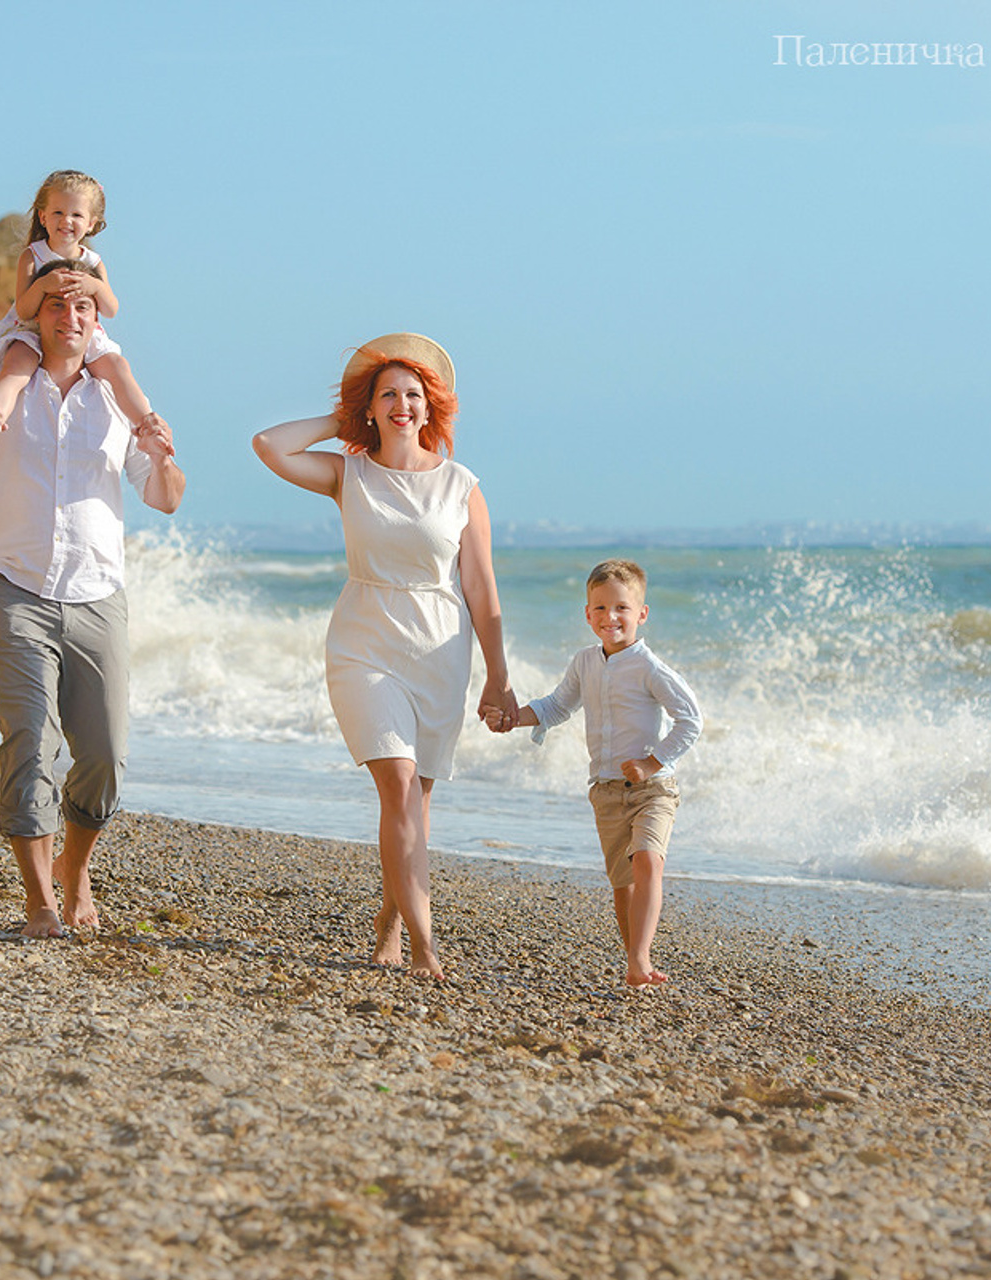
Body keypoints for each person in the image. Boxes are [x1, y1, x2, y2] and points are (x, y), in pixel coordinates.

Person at [0, 258, 185, 939]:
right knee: (30, 744)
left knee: (106, 756)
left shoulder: (120, 400)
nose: (70, 315)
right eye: (56, 303)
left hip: (97, 594)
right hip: (12, 589)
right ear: (37, 314)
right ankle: (40, 903)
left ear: (97, 319)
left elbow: (165, 497)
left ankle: (76, 867)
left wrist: (167, 458)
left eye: (83, 305)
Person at [252, 333, 517, 979]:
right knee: (397, 785)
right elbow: (269, 445)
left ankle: (390, 919)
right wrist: (341, 424)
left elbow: (480, 586)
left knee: (416, 804)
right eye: (388, 395)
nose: (403, 404)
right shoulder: (349, 473)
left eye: (414, 395)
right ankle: (427, 947)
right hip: (364, 640)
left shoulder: (460, 485)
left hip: (438, 645)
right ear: (369, 408)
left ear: (432, 408)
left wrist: (498, 678)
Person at [486, 559, 701, 987]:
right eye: (600, 608)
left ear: (642, 614)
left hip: (653, 788)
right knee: (622, 883)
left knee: (647, 862)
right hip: (604, 791)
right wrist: (513, 718)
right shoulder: (584, 663)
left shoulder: (650, 668)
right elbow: (556, 706)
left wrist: (652, 762)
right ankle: (635, 962)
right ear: (587, 614)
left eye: (621, 608)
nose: (610, 617)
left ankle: (640, 959)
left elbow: (690, 719)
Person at [0, 169, 160, 435]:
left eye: (76, 215)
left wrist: (94, 285)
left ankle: (148, 424)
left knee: (117, 366)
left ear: (92, 223)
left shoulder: (92, 263)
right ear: (43, 216)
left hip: (79, 334)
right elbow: (25, 310)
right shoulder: (33, 256)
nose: (66, 221)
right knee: (17, 364)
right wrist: (42, 285)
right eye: (58, 212)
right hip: (33, 330)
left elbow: (110, 309)